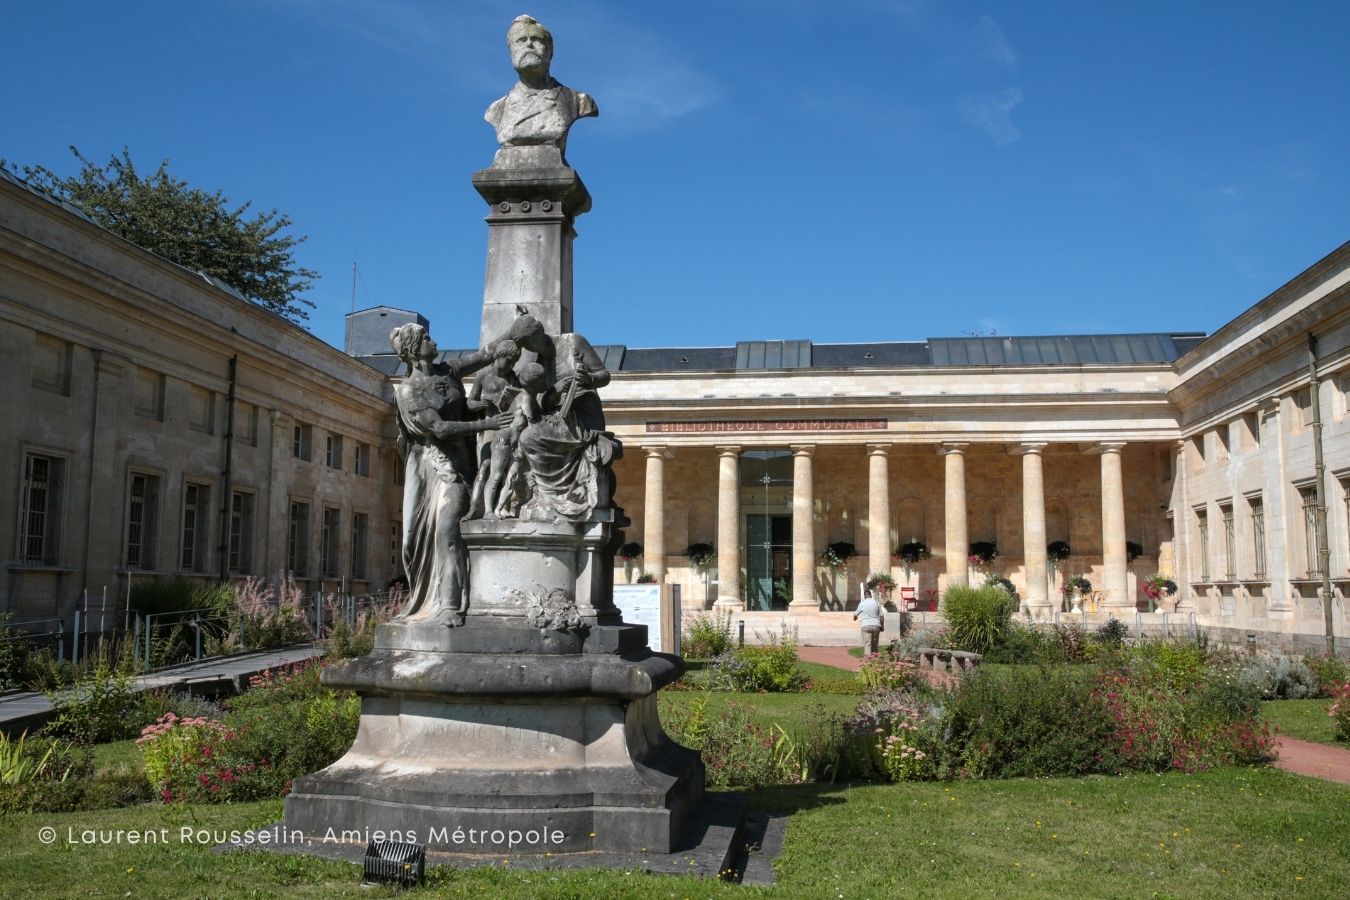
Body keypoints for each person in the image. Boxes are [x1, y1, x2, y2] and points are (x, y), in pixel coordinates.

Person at [389, 323, 511, 624]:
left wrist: (513, 331)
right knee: (445, 530)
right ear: (415, 350)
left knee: (452, 529)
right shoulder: (408, 391)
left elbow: (485, 354)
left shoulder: (448, 372)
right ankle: (447, 604)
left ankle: (453, 599)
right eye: (427, 338)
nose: (434, 340)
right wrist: (487, 424)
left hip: (464, 462)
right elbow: (439, 428)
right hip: (433, 467)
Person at [484, 15, 597, 156]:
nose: (529, 44)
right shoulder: (496, 110)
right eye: (521, 40)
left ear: (550, 52)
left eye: (536, 39)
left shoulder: (577, 101)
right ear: (511, 52)